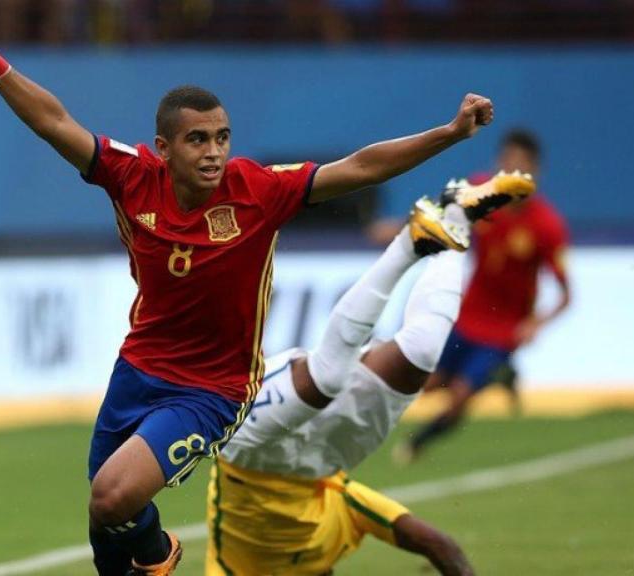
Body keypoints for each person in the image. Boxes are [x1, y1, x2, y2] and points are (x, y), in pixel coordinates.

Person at [0, 15, 500, 574]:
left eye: (221, 137)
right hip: (137, 368)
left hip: (211, 389)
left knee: (114, 498)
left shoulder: (258, 191)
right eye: (197, 139)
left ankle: (160, 554)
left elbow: (359, 166)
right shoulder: (131, 176)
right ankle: (145, 555)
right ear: (165, 147)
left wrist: (449, 133)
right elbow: (54, 121)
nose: (213, 151)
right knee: (106, 529)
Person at [206, 173, 534, 576]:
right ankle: (457, 214)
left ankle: (409, 243)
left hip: (245, 454)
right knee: (420, 354)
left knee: (326, 377)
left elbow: (437, 546)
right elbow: (440, 545)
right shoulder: (344, 511)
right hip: (324, 462)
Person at [396, 129, 570, 463]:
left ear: (536, 171)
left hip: (505, 328)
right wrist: (397, 231)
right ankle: (501, 375)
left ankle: (417, 443)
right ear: (499, 165)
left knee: (460, 394)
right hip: (469, 313)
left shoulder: (547, 225)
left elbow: (566, 295)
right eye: (508, 163)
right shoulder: (481, 193)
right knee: (431, 385)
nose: (513, 172)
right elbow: (438, 217)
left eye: (522, 166)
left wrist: (536, 323)